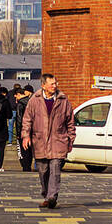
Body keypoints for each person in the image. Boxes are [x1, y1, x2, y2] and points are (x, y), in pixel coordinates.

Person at [21, 73, 75, 208]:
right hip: (40, 142)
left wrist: (70, 139)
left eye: (56, 83)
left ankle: (52, 197)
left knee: (55, 169)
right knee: (43, 170)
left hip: (58, 141)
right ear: (43, 86)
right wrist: (26, 136)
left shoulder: (63, 100)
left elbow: (70, 122)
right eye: (52, 84)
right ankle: (46, 193)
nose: (55, 86)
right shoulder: (34, 100)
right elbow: (27, 119)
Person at [14, 86, 34, 172]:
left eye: (16, 95)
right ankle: (29, 165)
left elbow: (19, 119)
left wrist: (18, 133)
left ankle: (26, 167)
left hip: (24, 130)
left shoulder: (21, 104)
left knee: (24, 150)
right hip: (33, 129)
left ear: (19, 95)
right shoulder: (32, 102)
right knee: (30, 150)